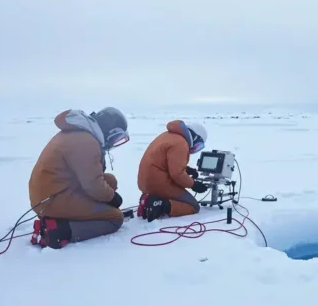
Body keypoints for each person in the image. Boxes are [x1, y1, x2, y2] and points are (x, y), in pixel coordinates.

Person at [28, 107, 131, 249]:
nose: (112, 143)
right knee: (115, 217)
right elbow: (93, 185)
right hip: (53, 199)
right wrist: (113, 198)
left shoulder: (80, 135)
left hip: (53, 192)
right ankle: (61, 230)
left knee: (110, 180)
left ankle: (77, 216)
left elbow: (93, 176)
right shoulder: (86, 142)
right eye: (115, 138)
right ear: (108, 130)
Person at [137, 120, 209, 221]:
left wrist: (187, 170)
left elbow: (164, 162)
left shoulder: (167, 135)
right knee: (193, 206)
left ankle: (150, 199)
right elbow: (177, 174)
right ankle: (160, 205)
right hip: (158, 183)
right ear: (195, 137)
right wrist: (194, 185)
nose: (194, 148)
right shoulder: (181, 143)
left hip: (146, 182)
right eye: (198, 145)